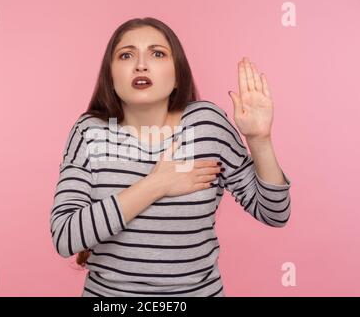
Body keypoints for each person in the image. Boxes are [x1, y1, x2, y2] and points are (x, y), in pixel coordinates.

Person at [50, 17, 292, 297]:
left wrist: (259, 140)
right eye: (126, 55)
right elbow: (65, 236)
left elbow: (275, 213)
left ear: (178, 75)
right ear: (111, 76)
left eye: (157, 53)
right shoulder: (89, 132)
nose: (141, 65)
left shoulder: (206, 124)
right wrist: (157, 185)